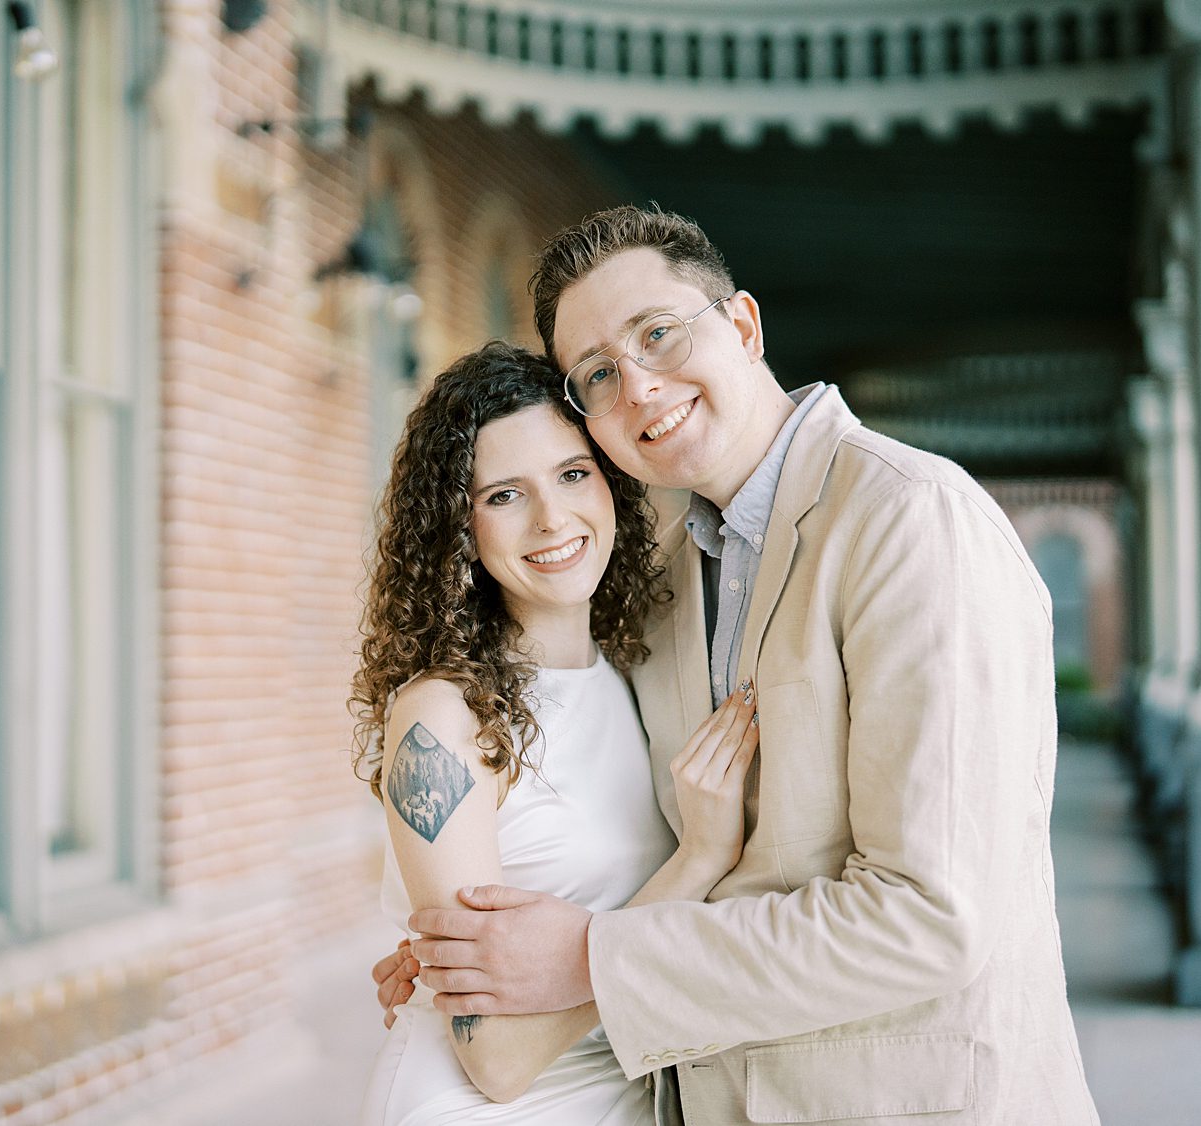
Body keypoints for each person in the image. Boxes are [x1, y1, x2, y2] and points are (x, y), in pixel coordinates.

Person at [375, 206, 1100, 1125]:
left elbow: (932, 915)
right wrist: (463, 955)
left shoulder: (909, 521)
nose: (638, 387)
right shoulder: (663, 584)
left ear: (745, 326)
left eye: (658, 334)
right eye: (597, 374)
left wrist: (586, 956)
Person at [351, 341, 761, 1124]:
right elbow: (497, 1060)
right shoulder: (446, 717)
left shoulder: (639, 674)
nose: (552, 519)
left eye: (573, 474)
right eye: (503, 494)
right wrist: (701, 860)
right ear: (459, 527)